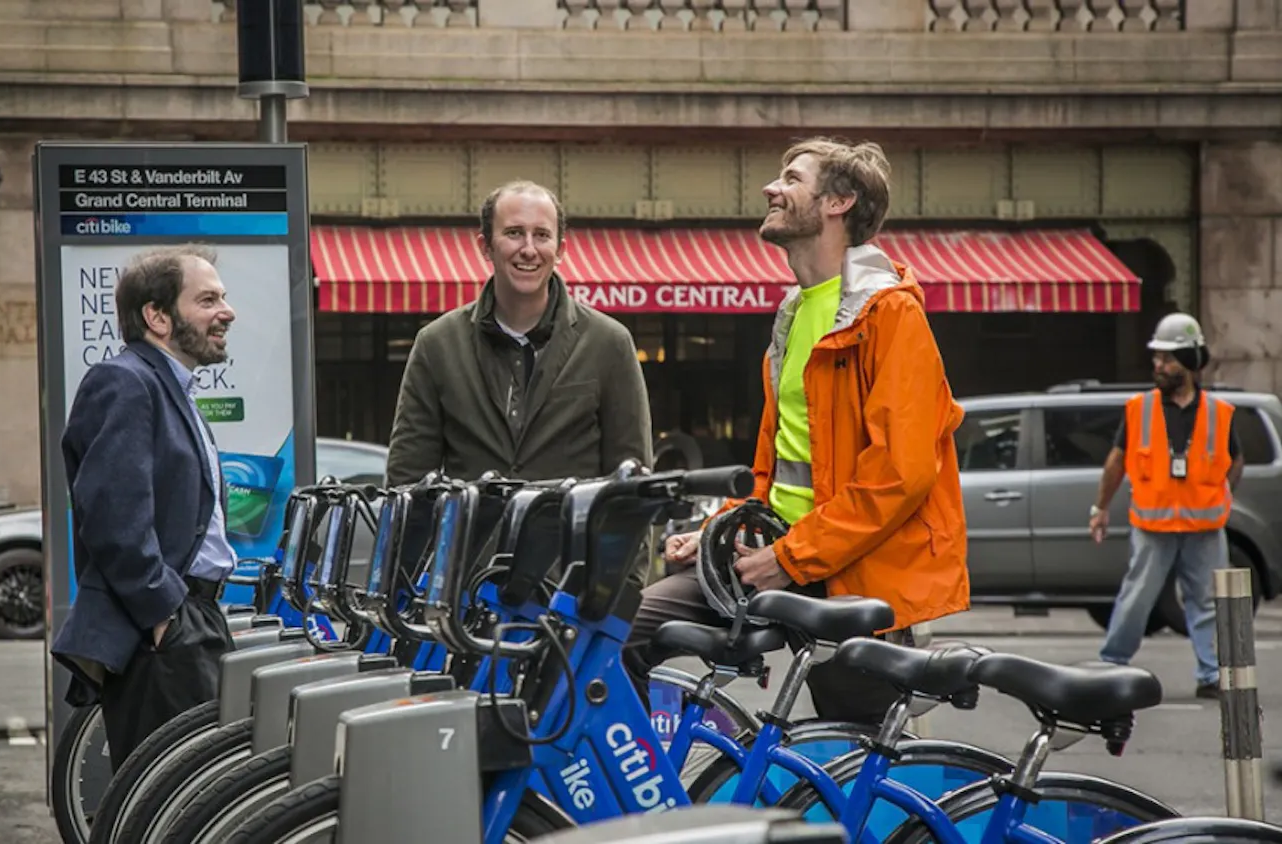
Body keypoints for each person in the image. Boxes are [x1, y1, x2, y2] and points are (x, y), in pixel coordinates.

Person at [622, 137, 971, 724]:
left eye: (791, 178)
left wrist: (789, 557)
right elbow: (778, 470)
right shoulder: (793, 312)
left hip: (856, 576)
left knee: (858, 759)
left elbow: (900, 475)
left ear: (839, 201)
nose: (771, 189)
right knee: (620, 634)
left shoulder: (890, 314)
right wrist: (712, 533)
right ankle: (645, 798)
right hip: (782, 553)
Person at [50, 244, 239, 772]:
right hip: (163, 633)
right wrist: (164, 614)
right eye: (207, 300)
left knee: (192, 790)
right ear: (157, 316)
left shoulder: (167, 386)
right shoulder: (125, 381)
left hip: (188, 620)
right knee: (176, 796)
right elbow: (111, 515)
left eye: (222, 298)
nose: (226, 311)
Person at [385, 179, 653, 488]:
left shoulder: (609, 343)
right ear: (485, 246)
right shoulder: (436, 345)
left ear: (560, 249)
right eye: (514, 233)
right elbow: (406, 482)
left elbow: (633, 485)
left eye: (541, 235)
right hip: (472, 536)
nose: (528, 249)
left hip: (572, 535)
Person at [1089, 312, 1242, 700]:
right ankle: (1112, 666)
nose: (1159, 365)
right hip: (1153, 526)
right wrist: (1100, 508)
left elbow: (1234, 461)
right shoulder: (1138, 408)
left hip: (1204, 528)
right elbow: (1116, 461)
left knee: (1206, 603)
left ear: (1190, 361)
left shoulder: (1219, 413)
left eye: (1168, 358)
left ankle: (1211, 676)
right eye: (1156, 358)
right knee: (1136, 599)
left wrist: (1221, 496)